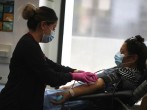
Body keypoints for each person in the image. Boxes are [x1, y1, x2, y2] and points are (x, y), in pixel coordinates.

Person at [0, 4, 98, 110]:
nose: (53, 32)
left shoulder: (31, 43)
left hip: (24, 101)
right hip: (15, 103)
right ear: (43, 25)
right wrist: (74, 76)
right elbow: (51, 77)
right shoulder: (28, 45)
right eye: (53, 28)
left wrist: (75, 70)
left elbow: (50, 64)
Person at [43, 35, 147, 110]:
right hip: (81, 95)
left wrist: (69, 93)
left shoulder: (125, 73)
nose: (119, 54)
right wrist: (69, 87)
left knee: (40, 99)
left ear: (133, 58)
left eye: (122, 52)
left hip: (83, 101)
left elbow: (98, 84)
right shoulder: (130, 71)